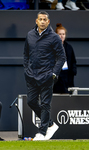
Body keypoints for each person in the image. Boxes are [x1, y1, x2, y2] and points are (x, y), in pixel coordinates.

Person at [23, 11, 66, 141]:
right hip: (32, 76)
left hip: (47, 77)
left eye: (44, 19)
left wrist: (53, 74)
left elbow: (61, 57)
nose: (42, 21)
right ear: (36, 21)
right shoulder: (29, 35)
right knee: (31, 102)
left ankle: (42, 133)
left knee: (45, 104)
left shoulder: (54, 37)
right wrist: (27, 69)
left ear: (48, 22)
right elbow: (26, 55)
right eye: (40, 19)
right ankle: (51, 124)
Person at [53, 23, 77, 94]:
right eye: (60, 34)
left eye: (63, 34)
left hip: (67, 76)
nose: (62, 36)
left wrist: (73, 70)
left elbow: (73, 60)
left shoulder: (69, 47)